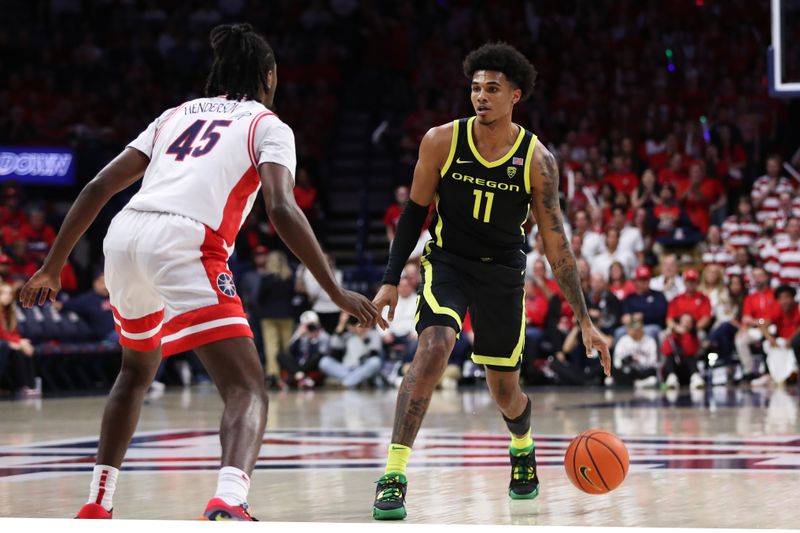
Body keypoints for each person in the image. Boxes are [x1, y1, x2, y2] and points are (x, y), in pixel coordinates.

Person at [18, 23, 381, 521]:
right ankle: (229, 498)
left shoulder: (175, 114)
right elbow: (281, 207)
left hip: (124, 235)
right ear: (270, 78)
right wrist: (334, 289)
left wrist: (51, 267)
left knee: (135, 371)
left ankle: (97, 504)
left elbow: (100, 185)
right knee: (247, 387)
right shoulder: (268, 124)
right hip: (189, 239)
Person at [369, 43, 610, 520]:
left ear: (515, 95)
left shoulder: (537, 160)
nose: (481, 96)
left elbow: (557, 243)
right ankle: (393, 474)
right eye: (476, 88)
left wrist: (584, 318)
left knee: (504, 390)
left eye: (492, 89)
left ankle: (522, 446)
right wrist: (390, 279)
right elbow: (414, 211)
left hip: (502, 271)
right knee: (434, 346)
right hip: (448, 262)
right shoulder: (440, 141)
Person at [322, 312, 384, 388]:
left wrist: (362, 335)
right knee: (324, 362)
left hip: (362, 368)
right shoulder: (348, 335)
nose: (359, 325)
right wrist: (341, 324)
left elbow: (374, 352)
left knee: (375, 362)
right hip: (346, 368)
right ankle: (354, 380)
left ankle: (346, 383)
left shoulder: (373, 334)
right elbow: (334, 344)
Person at [0, 283, 38, 398]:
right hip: (2, 342)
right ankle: (22, 386)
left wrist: (21, 342)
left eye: (9, 294)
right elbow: (2, 334)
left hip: (6, 342)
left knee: (26, 348)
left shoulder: (9, 313)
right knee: (17, 351)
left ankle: (31, 386)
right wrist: (18, 343)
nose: (8, 296)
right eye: (4, 293)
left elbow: (13, 333)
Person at [280, 310, 330, 389]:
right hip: (298, 362)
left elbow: (323, 353)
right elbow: (290, 350)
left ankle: (296, 375)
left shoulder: (323, 335)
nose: (309, 328)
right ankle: (299, 375)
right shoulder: (299, 333)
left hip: (311, 364)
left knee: (318, 356)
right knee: (281, 354)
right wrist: (299, 336)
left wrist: (314, 338)